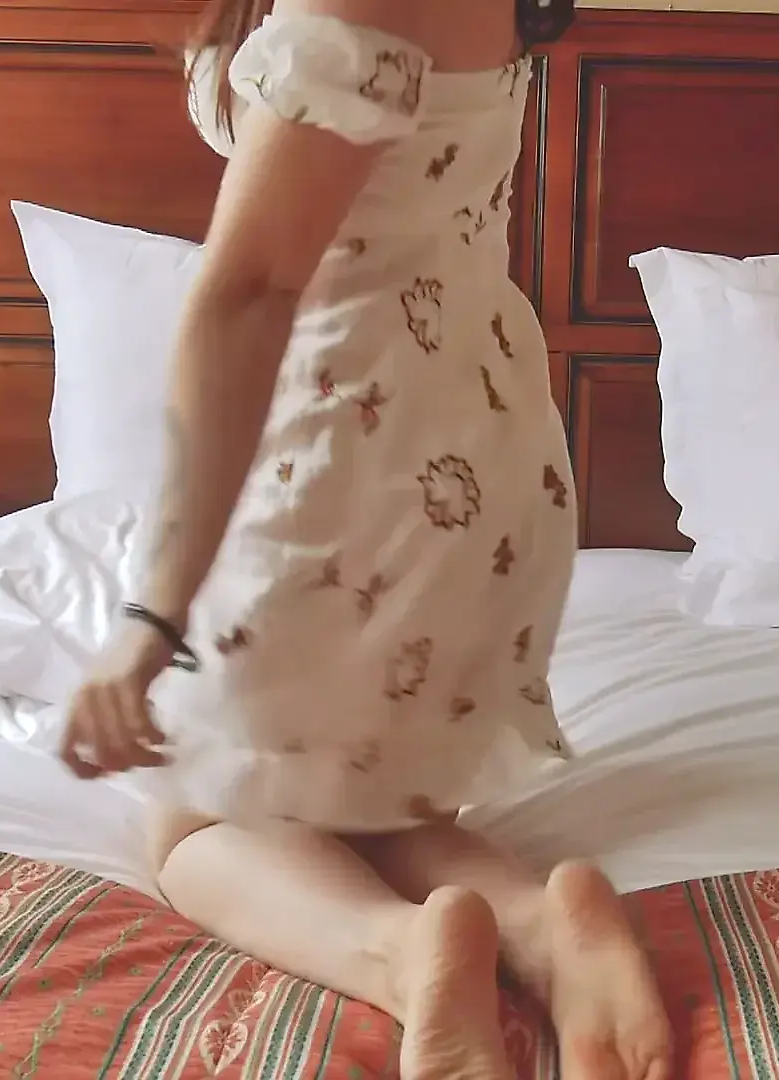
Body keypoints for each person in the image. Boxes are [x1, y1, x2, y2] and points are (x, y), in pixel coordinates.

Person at [56, 0, 671, 1076]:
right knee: (365, 802)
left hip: (340, 460)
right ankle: (535, 923)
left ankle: (400, 951)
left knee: (192, 827)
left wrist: (152, 618)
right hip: (469, 451)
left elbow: (248, 294)